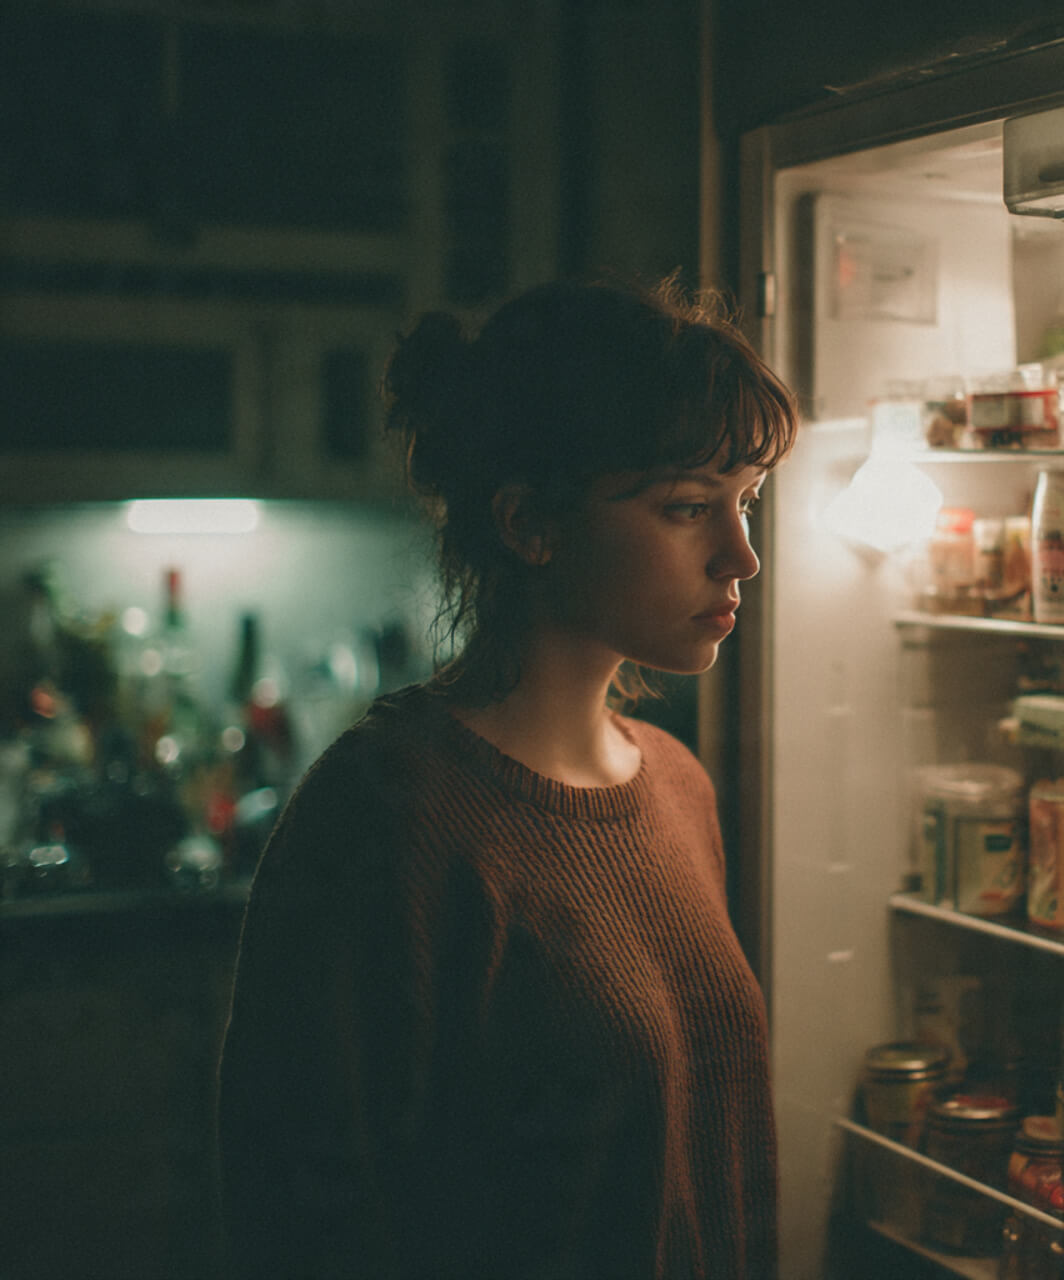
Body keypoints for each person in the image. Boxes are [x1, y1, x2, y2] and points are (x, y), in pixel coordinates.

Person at [216, 276, 798, 1279]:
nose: (738, 554)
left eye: (743, 502)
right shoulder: (385, 818)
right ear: (530, 523)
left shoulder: (674, 784)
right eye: (686, 507)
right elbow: (299, 1220)